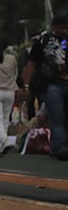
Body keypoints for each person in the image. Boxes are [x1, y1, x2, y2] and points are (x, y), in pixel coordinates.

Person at [22, 11, 68, 160]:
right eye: (61, 28)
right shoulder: (43, 41)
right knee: (57, 116)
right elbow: (31, 63)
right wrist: (26, 85)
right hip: (52, 84)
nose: (64, 31)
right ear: (54, 27)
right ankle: (58, 148)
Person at [0, 37, 18, 153]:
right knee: (6, 118)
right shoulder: (12, 58)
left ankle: (4, 140)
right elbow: (16, 74)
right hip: (10, 91)